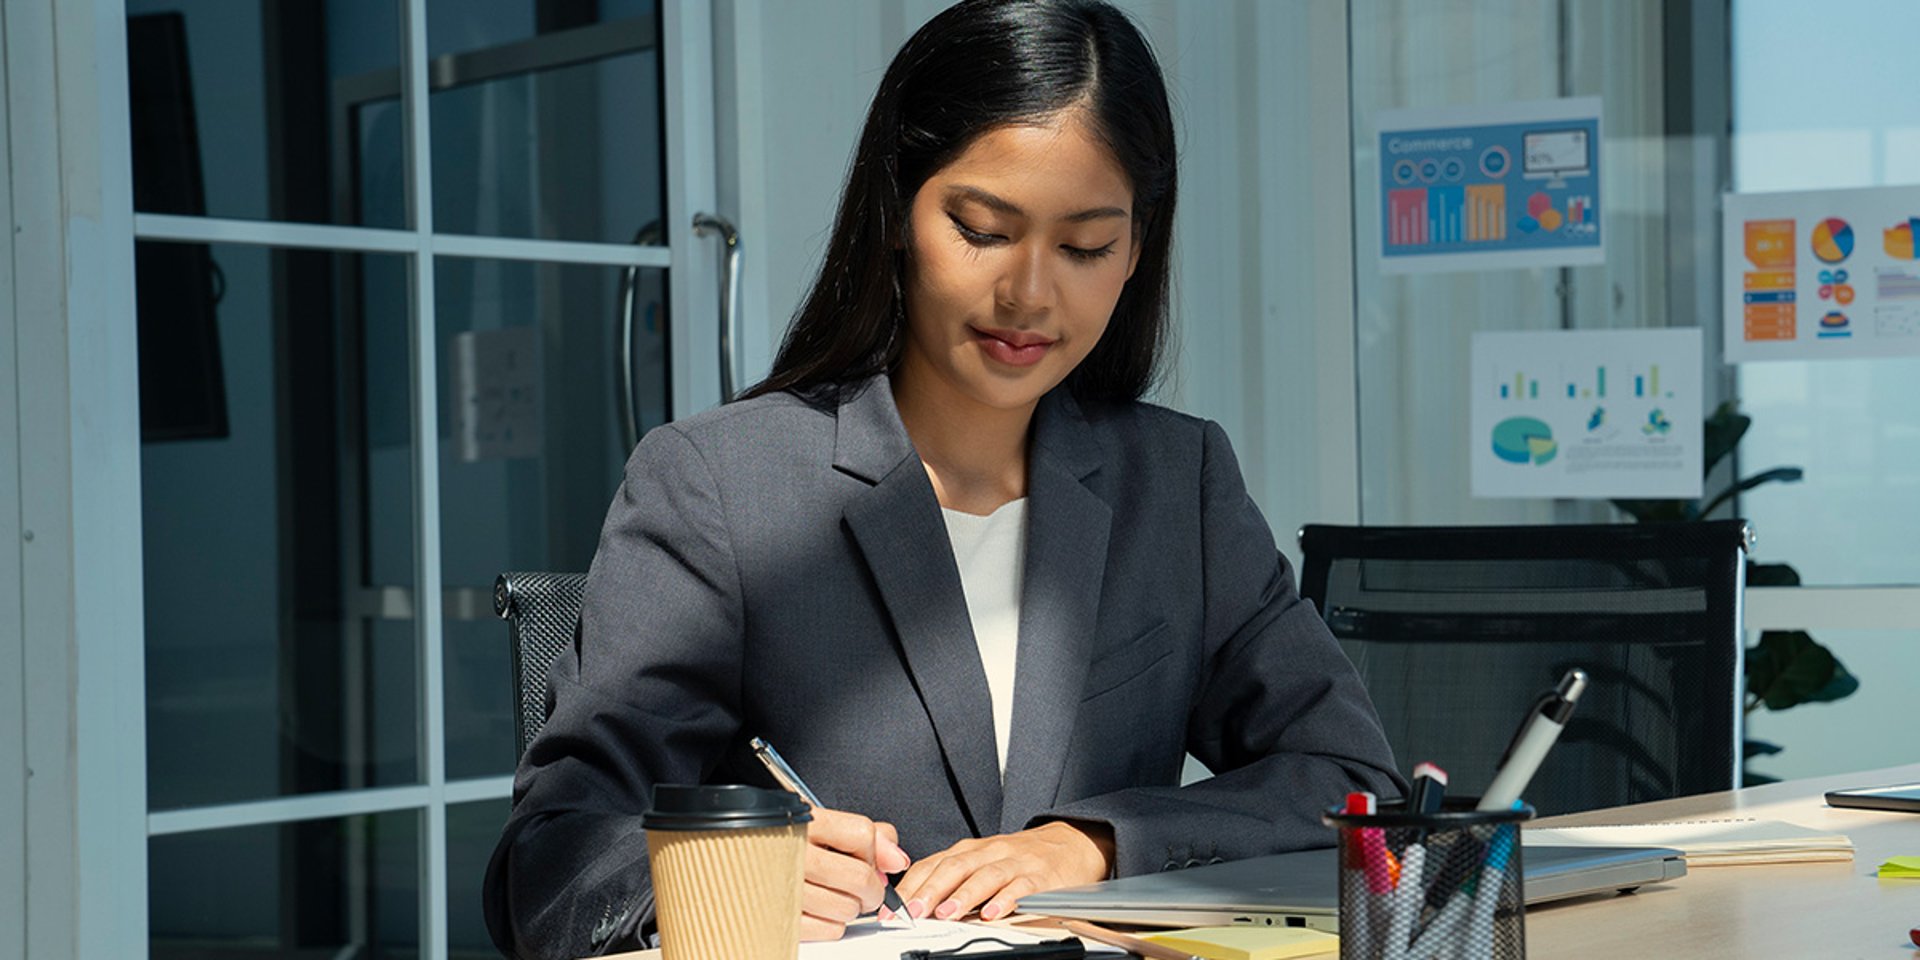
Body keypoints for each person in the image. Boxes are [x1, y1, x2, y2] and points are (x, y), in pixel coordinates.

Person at [483, 1, 1400, 956]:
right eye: (982, 229)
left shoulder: (1177, 481)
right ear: (895, 211)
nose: (1031, 294)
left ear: (1137, 250)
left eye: (1087, 247)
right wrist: (728, 872)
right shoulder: (719, 485)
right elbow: (545, 868)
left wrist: (1093, 842)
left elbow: (1344, 772)